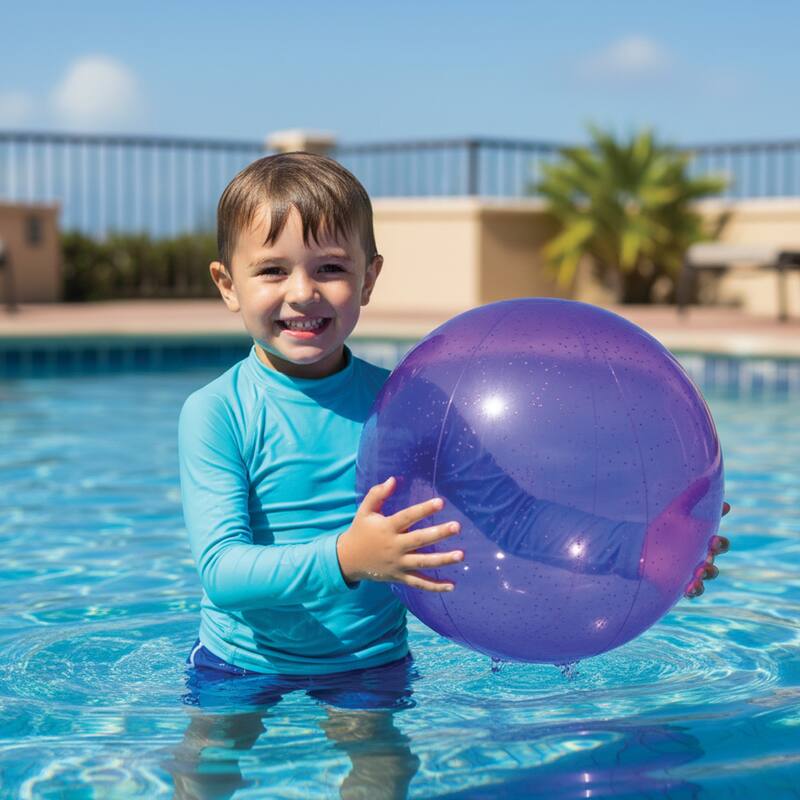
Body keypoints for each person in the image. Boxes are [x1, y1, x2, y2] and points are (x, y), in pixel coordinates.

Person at [171, 151, 729, 795]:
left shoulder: (409, 405)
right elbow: (221, 569)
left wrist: (647, 552)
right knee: (205, 769)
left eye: (331, 268)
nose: (303, 292)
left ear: (370, 277)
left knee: (385, 772)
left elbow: (517, 519)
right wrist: (349, 558)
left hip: (367, 663)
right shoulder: (218, 412)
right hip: (240, 661)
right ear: (226, 283)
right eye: (272, 271)